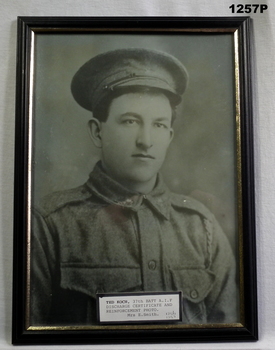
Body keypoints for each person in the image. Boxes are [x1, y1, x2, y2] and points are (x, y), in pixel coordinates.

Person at [30, 48, 238, 326]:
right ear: (97, 131)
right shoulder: (49, 224)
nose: (146, 141)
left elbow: (230, 336)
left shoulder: (203, 227)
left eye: (159, 125)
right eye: (130, 121)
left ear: (170, 136)